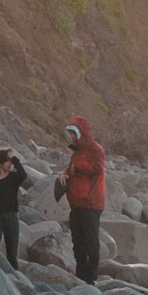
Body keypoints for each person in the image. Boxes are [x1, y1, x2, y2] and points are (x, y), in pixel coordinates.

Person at [56, 116, 107, 283]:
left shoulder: (96, 149)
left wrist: (78, 167)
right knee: (77, 242)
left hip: (91, 203)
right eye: (69, 133)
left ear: (80, 133)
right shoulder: (76, 152)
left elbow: (98, 168)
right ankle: (80, 275)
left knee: (91, 243)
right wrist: (64, 175)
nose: (70, 137)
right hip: (76, 204)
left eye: (73, 133)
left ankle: (91, 277)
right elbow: (70, 169)